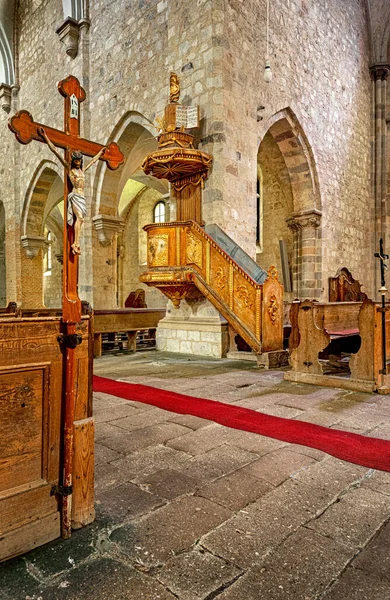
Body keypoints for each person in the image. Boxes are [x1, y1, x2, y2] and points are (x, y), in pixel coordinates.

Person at [38, 127, 106, 255]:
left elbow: (93, 161)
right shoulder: (70, 170)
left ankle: (77, 242)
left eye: (79, 161)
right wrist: (45, 137)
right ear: (73, 161)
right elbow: (55, 151)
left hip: (82, 196)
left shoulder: (82, 170)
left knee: (81, 220)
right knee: (79, 218)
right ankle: (76, 243)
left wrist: (100, 153)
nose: (78, 163)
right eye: (76, 161)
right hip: (75, 195)